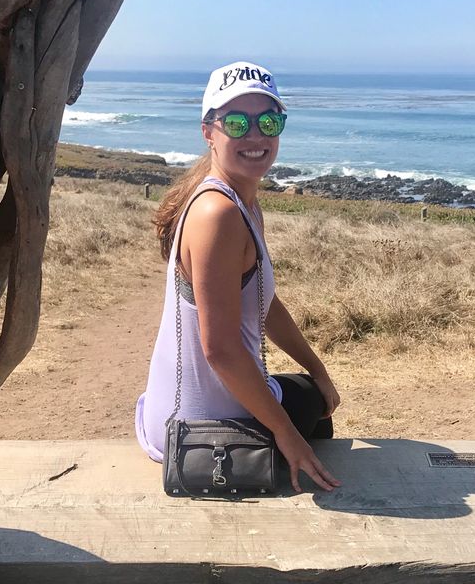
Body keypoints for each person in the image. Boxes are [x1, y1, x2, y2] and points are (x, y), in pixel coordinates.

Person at [135, 61, 341, 493]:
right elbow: (223, 351)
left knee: (313, 398)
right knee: (313, 414)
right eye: (237, 122)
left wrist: (318, 369)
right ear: (209, 131)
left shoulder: (241, 203)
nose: (255, 135)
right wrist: (287, 435)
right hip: (198, 434)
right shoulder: (218, 214)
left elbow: (265, 303)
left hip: (180, 411)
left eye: (268, 120)